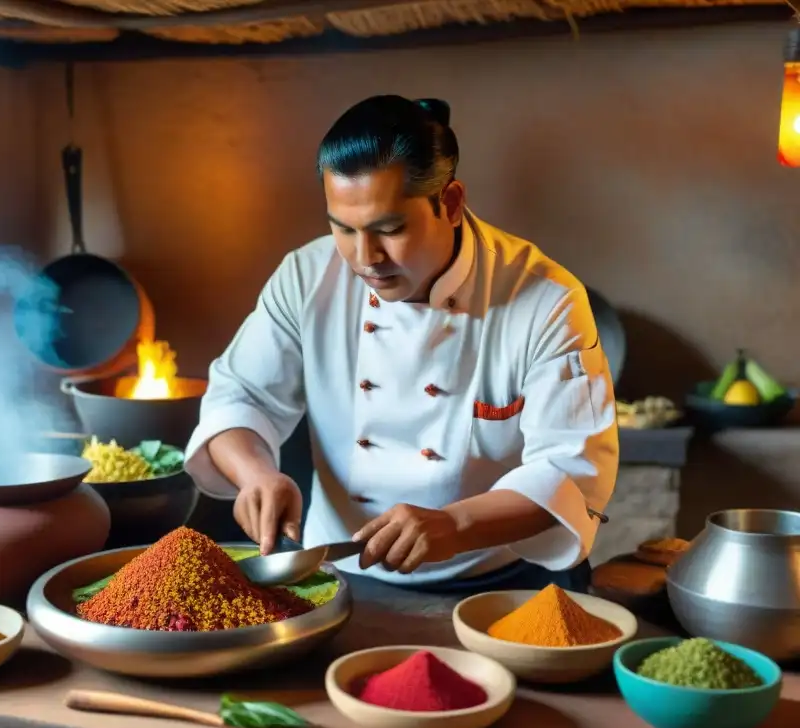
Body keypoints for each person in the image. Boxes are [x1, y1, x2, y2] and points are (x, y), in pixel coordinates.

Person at [184, 95, 618, 594]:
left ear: (451, 204)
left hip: (495, 585)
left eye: (389, 229)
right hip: (333, 575)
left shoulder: (545, 299)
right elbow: (239, 396)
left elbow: (570, 469)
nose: (365, 258)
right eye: (342, 228)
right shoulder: (306, 275)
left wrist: (455, 525)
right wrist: (256, 474)